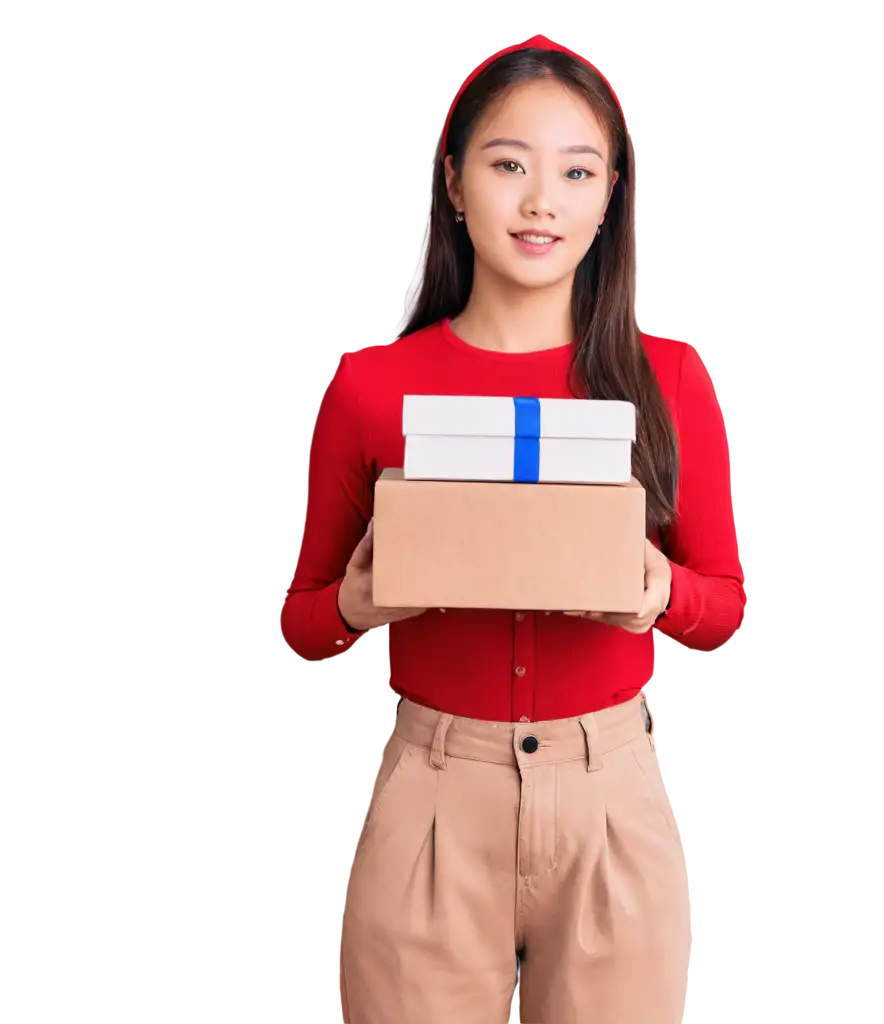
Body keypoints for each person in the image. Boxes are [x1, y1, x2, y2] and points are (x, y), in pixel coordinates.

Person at [280, 33, 744, 1024]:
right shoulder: (372, 383)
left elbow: (725, 607)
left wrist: (658, 590)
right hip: (433, 796)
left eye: (578, 173)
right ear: (454, 183)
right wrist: (357, 608)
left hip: (611, 793)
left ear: (610, 197)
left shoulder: (665, 377)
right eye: (508, 166)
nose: (543, 202)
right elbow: (301, 618)